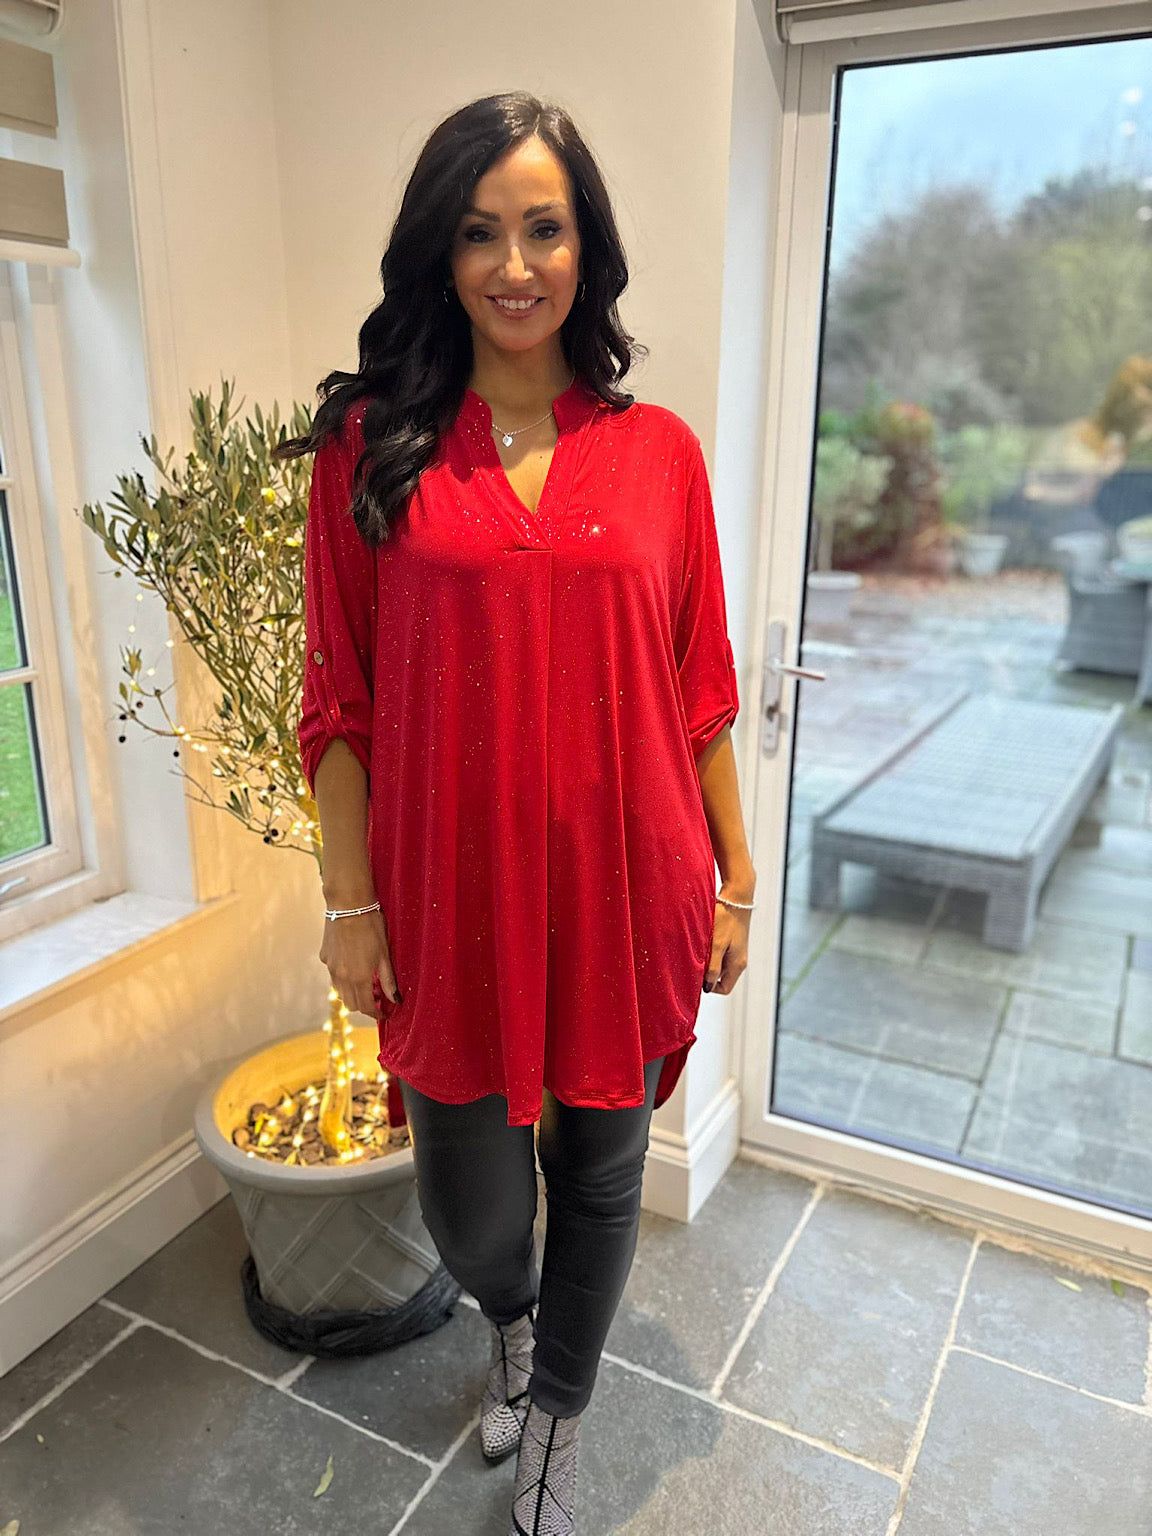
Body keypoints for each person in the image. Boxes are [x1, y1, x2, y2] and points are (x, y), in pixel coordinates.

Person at [283, 90, 755, 1536]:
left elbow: (700, 689)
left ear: (585, 247)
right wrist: (350, 907)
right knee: (473, 1205)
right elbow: (339, 703)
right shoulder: (375, 447)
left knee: (603, 1174)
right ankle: (510, 1321)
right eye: (481, 232)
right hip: (451, 895)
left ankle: (556, 1405)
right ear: (441, 252)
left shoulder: (660, 452)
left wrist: (736, 876)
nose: (514, 264)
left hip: (630, 884)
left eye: (544, 228)